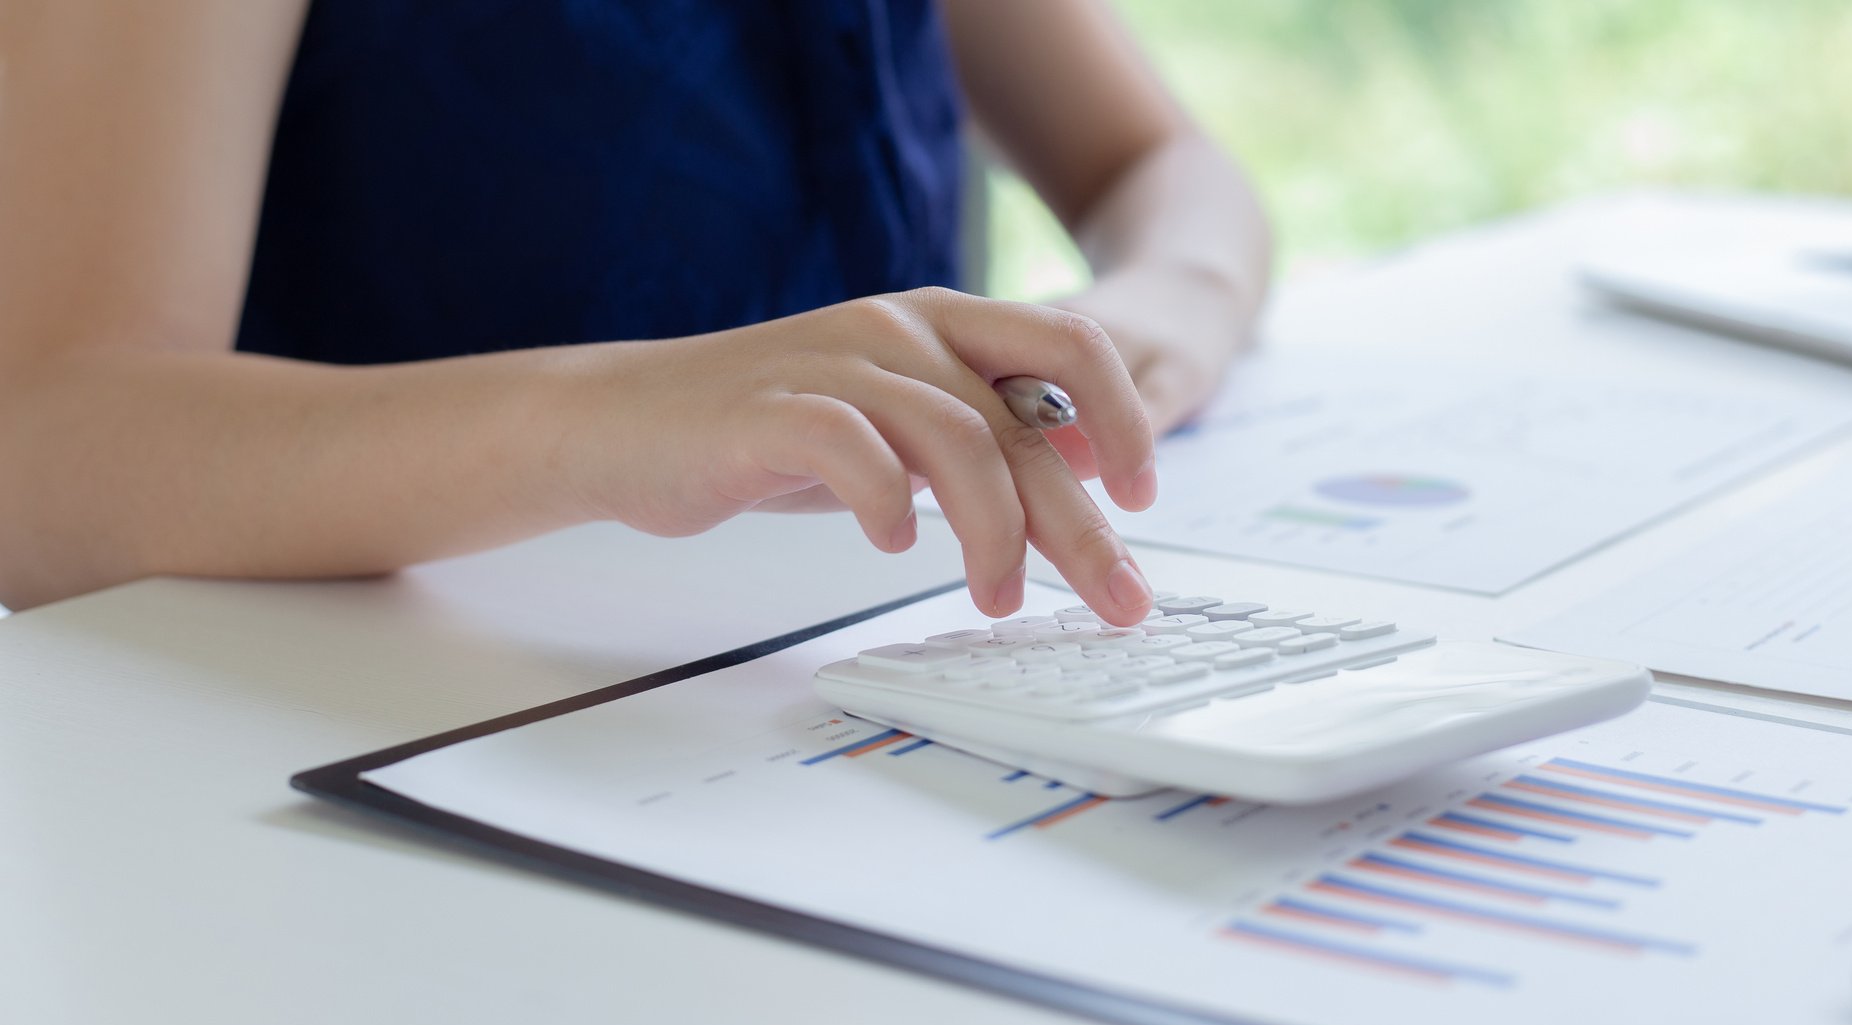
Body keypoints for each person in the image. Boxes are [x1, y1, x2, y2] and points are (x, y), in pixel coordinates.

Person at [0, 0, 1269, 625]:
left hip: (836, 699)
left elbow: (1153, 161)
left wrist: (1172, 295)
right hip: (389, 765)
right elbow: (45, 437)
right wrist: (614, 416)